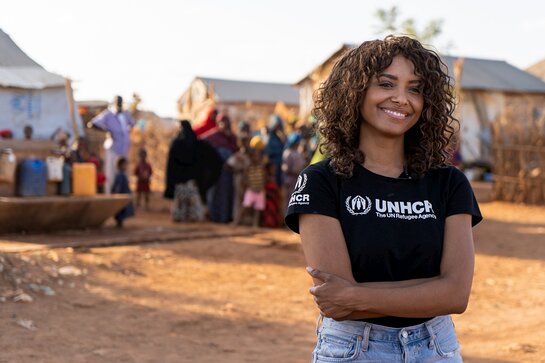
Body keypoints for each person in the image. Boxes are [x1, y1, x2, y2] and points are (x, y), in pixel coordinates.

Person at [285, 35, 482, 362]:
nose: (402, 99)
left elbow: (456, 294)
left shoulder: (448, 183)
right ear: (355, 91)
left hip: (435, 348)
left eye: (415, 88)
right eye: (386, 84)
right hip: (353, 349)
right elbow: (336, 304)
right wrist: (428, 290)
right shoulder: (321, 182)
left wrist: (354, 294)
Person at [164, 120, 222, 222]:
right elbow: (216, 161)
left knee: (180, 212)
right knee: (194, 211)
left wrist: (170, 186)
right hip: (194, 183)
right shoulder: (199, 144)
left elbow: (170, 167)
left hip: (180, 183)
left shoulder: (176, 145)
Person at [90, 95, 135, 194]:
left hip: (124, 148)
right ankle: (109, 195)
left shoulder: (125, 115)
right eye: (117, 102)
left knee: (124, 174)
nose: (119, 105)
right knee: (111, 174)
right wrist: (107, 131)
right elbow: (92, 124)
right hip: (113, 148)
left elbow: (133, 124)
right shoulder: (108, 115)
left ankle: (123, 196)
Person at [201, 112, 239, 223]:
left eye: (226, 122)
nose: (223, 124)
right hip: (214, 173)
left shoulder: (232, 138)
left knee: (227, 195)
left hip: (228, 173)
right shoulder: (211, 136)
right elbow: (202, 149)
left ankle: (225, 217)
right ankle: (214, 217)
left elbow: (238, 151)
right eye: (221, 122)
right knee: (213, 194)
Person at [232, 136, 267, 227]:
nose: (256, 158)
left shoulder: (261, 167)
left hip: (260, 190)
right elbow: (245, 178)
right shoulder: (249, 167)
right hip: (251, 190)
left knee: (257, 209)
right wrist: (249, 186)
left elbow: (264, 178)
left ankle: (255, 224)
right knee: (245, 206)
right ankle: (236, 221)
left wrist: (261, 187)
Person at [281, 132, 307, 210]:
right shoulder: (288, 153)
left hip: (296, 181)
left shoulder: (298, 153)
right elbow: (286, 168)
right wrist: (295, 173)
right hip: (289, 181)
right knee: (288, 200)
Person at [111, 156, 135, 227]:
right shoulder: (120, 175)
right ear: (120, 165)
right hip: (121, 195)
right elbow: (118, 186)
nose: (126, 166)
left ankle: (120, 221)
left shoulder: (121, 175)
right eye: (124, 165)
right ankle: (119, 221)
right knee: (120, 209)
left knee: (122, 209)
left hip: (123, 194)